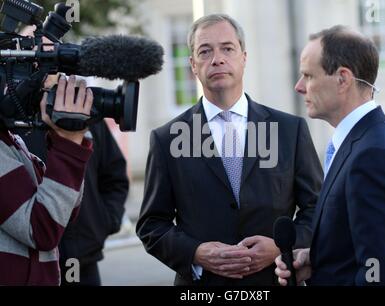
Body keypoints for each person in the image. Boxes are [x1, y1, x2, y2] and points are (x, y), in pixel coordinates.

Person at [136, 14, 323, 286]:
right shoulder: (166, 139)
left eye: (227, 48)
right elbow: (152, 225)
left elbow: (317, 210)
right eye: (205, 51)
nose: (217, 58)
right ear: (193, 65)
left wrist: (281, 246)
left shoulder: (289, 130)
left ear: (243, 58)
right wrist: (197, 253)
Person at [275, 25, 385, 286]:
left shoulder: (372, 155)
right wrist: (318, 260)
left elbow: (379, 274)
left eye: (308, 76)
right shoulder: (367, 139)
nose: (299, 87)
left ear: (342, 79)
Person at [0, 75, 94, 285]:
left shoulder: (12, 140)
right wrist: (69, 144)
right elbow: (41, 229)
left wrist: (71, 136)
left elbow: (64, 211)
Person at [15, 119, 129, 286]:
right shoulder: (13, 115)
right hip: (31, 265)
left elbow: (115, 175)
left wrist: (107, 221)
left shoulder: (88, 114)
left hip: (84, 260)